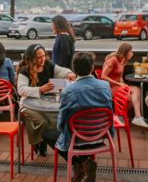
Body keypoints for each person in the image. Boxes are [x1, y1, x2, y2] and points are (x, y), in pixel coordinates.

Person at [42, 52, 113, 182]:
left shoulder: (68, 91)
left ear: (74, 68)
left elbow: (61, 124)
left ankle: (79, 163)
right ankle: (84, 163)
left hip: (78, 139)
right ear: (92, 67)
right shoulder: (105, 86)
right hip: (101, 135)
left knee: (46, 133)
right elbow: (109, 112)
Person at [18, 44, 76, 156]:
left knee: (55, 120)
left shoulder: (48, 65)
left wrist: (69, 73)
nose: (42, 59)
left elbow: (61, 71)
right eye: (39, 57)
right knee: (43, 122)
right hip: (28, 105)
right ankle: (39, 143)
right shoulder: (24, 71)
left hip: (45, 104)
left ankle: (48, 141)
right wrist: (40, 89)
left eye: (44, 56)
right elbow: (21, 90)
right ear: (32, 58)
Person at [101, 42, 148, 128]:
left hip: (117, 86)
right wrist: (119, 84)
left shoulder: (123, 61)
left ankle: (122, 115)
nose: (132, 54)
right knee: (133, 96)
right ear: (125, 52)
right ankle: (136, 117)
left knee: (137, 90)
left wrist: (124, 85)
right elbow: (103, 76)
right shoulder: (113, 60)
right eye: (131, 52)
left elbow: (120, 77)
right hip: (109, 87)